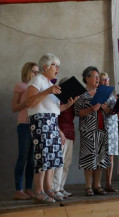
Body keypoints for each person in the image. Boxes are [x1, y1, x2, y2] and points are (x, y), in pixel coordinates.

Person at [26, 54, 76, 203]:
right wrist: (47, 91)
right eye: (55, 65)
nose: (57, 69)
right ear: (46, 67)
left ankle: (49, 190)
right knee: (43, 157)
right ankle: (39, 192)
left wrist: (67, 105)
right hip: (40, 121)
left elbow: (53, 109)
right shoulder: (37, 80)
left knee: (53, 159)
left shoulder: (50, 84)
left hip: (52, 122)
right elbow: (29, 102)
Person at [74, 66, 110, 196]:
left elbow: (109, 112)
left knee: (100, 158)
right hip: (88, 130)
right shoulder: (81, 95)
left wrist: (106, 108)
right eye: (94, 76)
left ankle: (97, 185)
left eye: (98, 77)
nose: (97, 79)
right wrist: (91, 109)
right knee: (89, 158)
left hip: (102, 129)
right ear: (86, 78)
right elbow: (77, 112)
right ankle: (88, 186)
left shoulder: (103, 92)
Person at [12, 62, 38, 200]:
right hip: (24, 125)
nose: (36, 74)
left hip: (36, 125)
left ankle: (28, 188)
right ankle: (19, 189)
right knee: (23, 157)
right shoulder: (20, 86)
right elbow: (14, 107)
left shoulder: (38, 87)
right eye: (33, 71)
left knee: (32, 160)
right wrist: (26, 102)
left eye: (37, 71)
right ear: (27, 72)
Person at [52, 77, 75, 198]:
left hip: (71, 133)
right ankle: (54, 189)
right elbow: (53, 117)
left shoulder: (71, 100)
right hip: (60, 133)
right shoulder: (57, 98)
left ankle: (61, 187)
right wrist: (59, 131)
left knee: (67, 163)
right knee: (59, 163)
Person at [99, 72, 118, 192]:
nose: (106, 82)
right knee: (101, 155)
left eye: (107, 80)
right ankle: (98, 184)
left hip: (113, 127)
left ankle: (109, 183)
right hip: (102, 126)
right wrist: (107, 109)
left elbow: (115, 111)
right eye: (103, 80)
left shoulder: (112, 94)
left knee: (111, 156)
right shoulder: (98, 94)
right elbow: (105, 111)